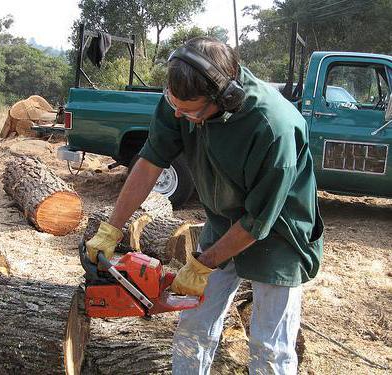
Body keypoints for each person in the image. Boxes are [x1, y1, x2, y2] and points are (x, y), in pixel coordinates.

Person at [85, 37, 324, 375]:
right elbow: (151, 161)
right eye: (175, 104)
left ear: (226, 97)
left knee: (269, 348)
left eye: (190, 109)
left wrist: (202, 264)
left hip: (279, 234)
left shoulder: (274, 127)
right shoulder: (180, 99)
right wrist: (113, 227)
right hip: (224, 222)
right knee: (193, 327)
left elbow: (258, 221)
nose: (179, 114)